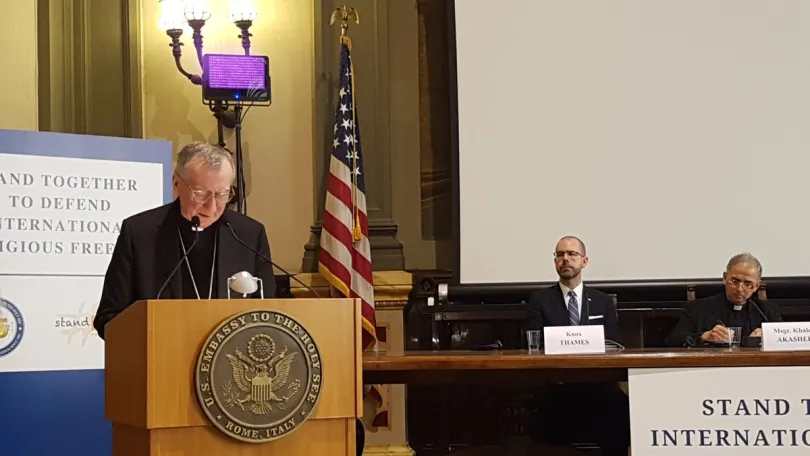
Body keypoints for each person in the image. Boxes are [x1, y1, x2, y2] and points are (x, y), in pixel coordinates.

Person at [92, 141, 277, 338]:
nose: (211, 207)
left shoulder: (248, 235)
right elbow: (108, 319)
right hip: (162, 353)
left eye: (222, 195)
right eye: (201, 194)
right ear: (176, 184)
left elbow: (269, 315)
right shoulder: (140, 233)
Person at [525, 236, 629, 456]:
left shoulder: (602, 301)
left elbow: (615, 344)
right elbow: (533, 344)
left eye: (572, 254)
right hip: (557, 384)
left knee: (619, 405)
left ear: (584, 261)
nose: (565, 259)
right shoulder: (540, 300)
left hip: (596, 384)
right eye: (560, 254)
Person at [665, 253, 782, 347]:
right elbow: (673, 340)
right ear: (725, 278)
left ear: (756, 286)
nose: (740, 289)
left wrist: (769, 337)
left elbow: (785, 340)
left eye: (748, 283)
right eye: (735, 281)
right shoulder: (697, 309)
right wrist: (704, 337)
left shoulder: (768, 312)